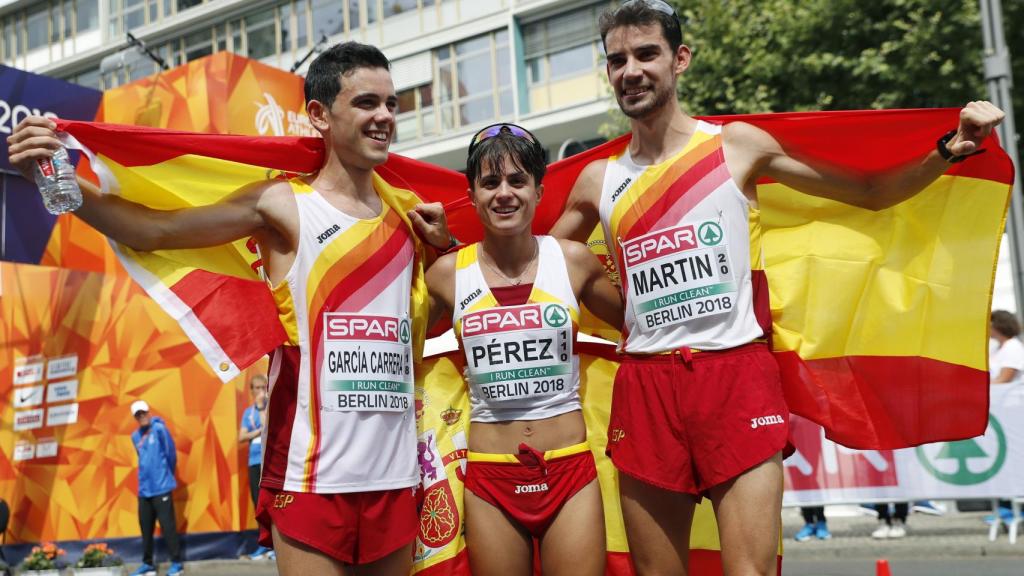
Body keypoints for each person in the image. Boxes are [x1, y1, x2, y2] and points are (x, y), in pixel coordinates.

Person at [547, 1, 1004, 574]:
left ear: (680, 59)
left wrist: (948, 150)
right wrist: (445, 252)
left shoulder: (735, 146)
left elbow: (868, 192)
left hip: (735, 378)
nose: (631, 71)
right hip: (644, 387)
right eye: (617, 60)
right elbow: (540, 266)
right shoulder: (598, 180)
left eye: (646, 54)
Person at [8, 42, 453, 576]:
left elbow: (455, 313)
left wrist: (446, 249)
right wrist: (57, 179)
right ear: (319, 115)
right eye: (366, 103)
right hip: (309, 477)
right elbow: (156, 230)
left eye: (391, 104)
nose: (384, 116)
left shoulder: (412, 219)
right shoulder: (283, 204)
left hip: (394, 474)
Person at [425, 124, 623, 576]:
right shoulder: (447, 274)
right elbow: (396, 341)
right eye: (490, 183)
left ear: (538, 190)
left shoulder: (572, 261)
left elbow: (642, 327)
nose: (504, 194)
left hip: (570, 473)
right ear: (472, 195)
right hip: (489, 479)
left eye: (517, 181)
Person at [129, 400, 184, 576]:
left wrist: (165, 476)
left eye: (143, 412)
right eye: (138, 414)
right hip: (144, 490)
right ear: (135, 417)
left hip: (162, 488)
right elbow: (142, 458)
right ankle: (148, 564)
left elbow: (171, 455)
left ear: (148, 412)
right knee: (146, 529)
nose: (142, 416)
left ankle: (176, 563)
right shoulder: (134, 436)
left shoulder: (160, 429)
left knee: (168, 527)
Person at [238, 374, 274, 561]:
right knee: (258, 503)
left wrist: (262, 407)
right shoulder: (248, 413)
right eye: (257, 388)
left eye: (263, 387)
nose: (260, 392)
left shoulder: (270, 407)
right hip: (253, 461)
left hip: (269, 461)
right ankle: (264, 545)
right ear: (251, 391)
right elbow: (241, 436)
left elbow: (267, 425)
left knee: (272, 504)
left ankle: (276, 548)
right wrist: (257, 432)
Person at [989, 310, 1024, 384]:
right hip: (998, 393)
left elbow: (1004, 379)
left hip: (1010, 394)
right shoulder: (996, 348)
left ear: (999, 325)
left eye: (989, 325)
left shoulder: (1013, 347)